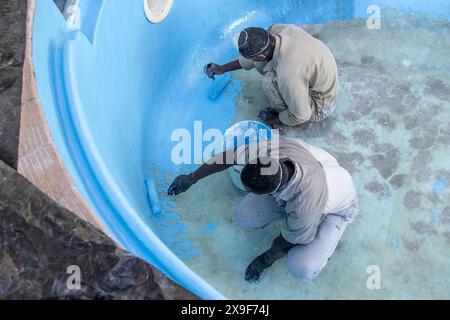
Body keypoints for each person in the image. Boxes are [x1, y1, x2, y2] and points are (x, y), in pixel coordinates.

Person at [168, 138, 358, 282]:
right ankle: (292, 215)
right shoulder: (270, 154)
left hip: (335, 206)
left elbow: (286, 241)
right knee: (245, 216)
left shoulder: (306, 206)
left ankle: (329, 243)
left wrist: (264, 260)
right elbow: (230, 156)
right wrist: (192, 178)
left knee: (301, 267)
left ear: (273, 192)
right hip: (317, 169)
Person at [205, 25, 339, 130]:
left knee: (269, 82)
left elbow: (302, 115)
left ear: (261, 56)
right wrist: (222, 68)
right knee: (266, 67)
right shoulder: (281, 30)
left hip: (322, 105)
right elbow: (256, 58)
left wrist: (277, 118)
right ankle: (294, 99)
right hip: (319, 80)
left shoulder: (288, 73)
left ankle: (290, 124)